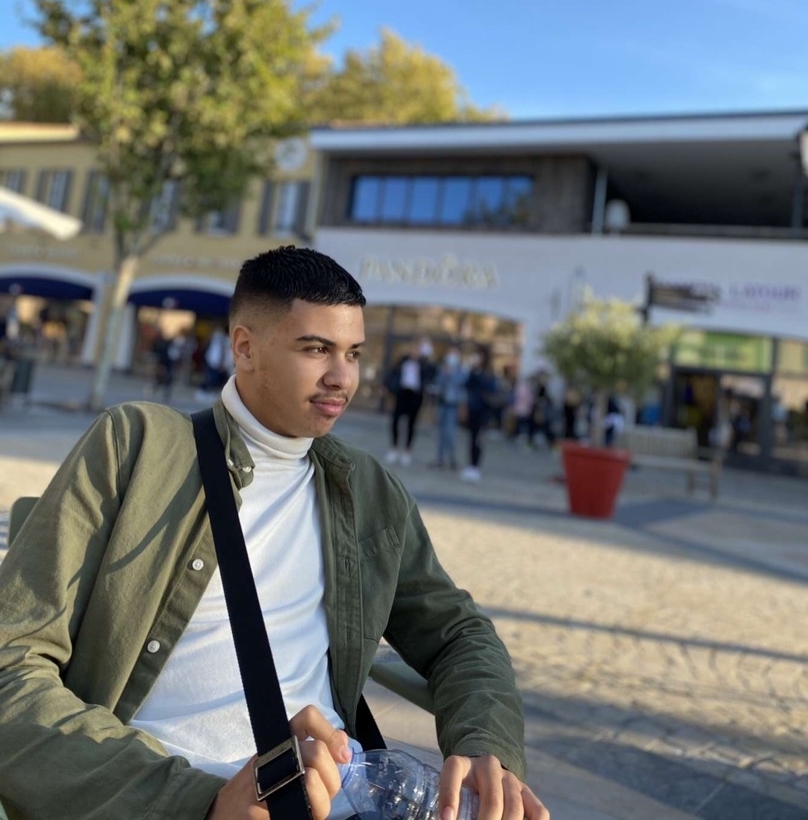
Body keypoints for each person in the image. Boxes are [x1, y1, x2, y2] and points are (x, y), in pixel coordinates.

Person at [0, 247, 548, 820]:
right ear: (244, 347)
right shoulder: (137, 448)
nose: (343, 378)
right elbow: (12, 664)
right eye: (316, 349)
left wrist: (485, 743)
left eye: (354, 353)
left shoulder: (368, 491)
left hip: (336, 798)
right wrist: (201, 802)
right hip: (162, 796)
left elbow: (459, 632)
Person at [383, 341, 435, 466]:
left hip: (415, 396)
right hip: (402, 393)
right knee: (395, 421)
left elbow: (430, 375)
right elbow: (392, 373)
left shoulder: (424, 364)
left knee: (411, 424)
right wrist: (387, 386)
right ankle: (394, 448)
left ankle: (407, 450)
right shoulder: (402, 361)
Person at [460, 348, 498, 483]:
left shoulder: (489, 374)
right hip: (473, 410)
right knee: (471, 438)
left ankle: (475, 466)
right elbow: (467, 385)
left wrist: (478, 375)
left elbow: (491, 389)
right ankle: (470, 465)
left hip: (483, 412)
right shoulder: (473, 372)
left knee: (478, 440)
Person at [430, 347, 467, 469]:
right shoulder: (443, 369)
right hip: (442, 404)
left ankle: (452, 459)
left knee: (450, 433)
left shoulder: (462, 370)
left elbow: (461, 382)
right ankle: (440, 459)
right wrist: (444, 374)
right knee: (440, 433)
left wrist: (451, 374)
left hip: (453, 405)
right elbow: (438, 381)